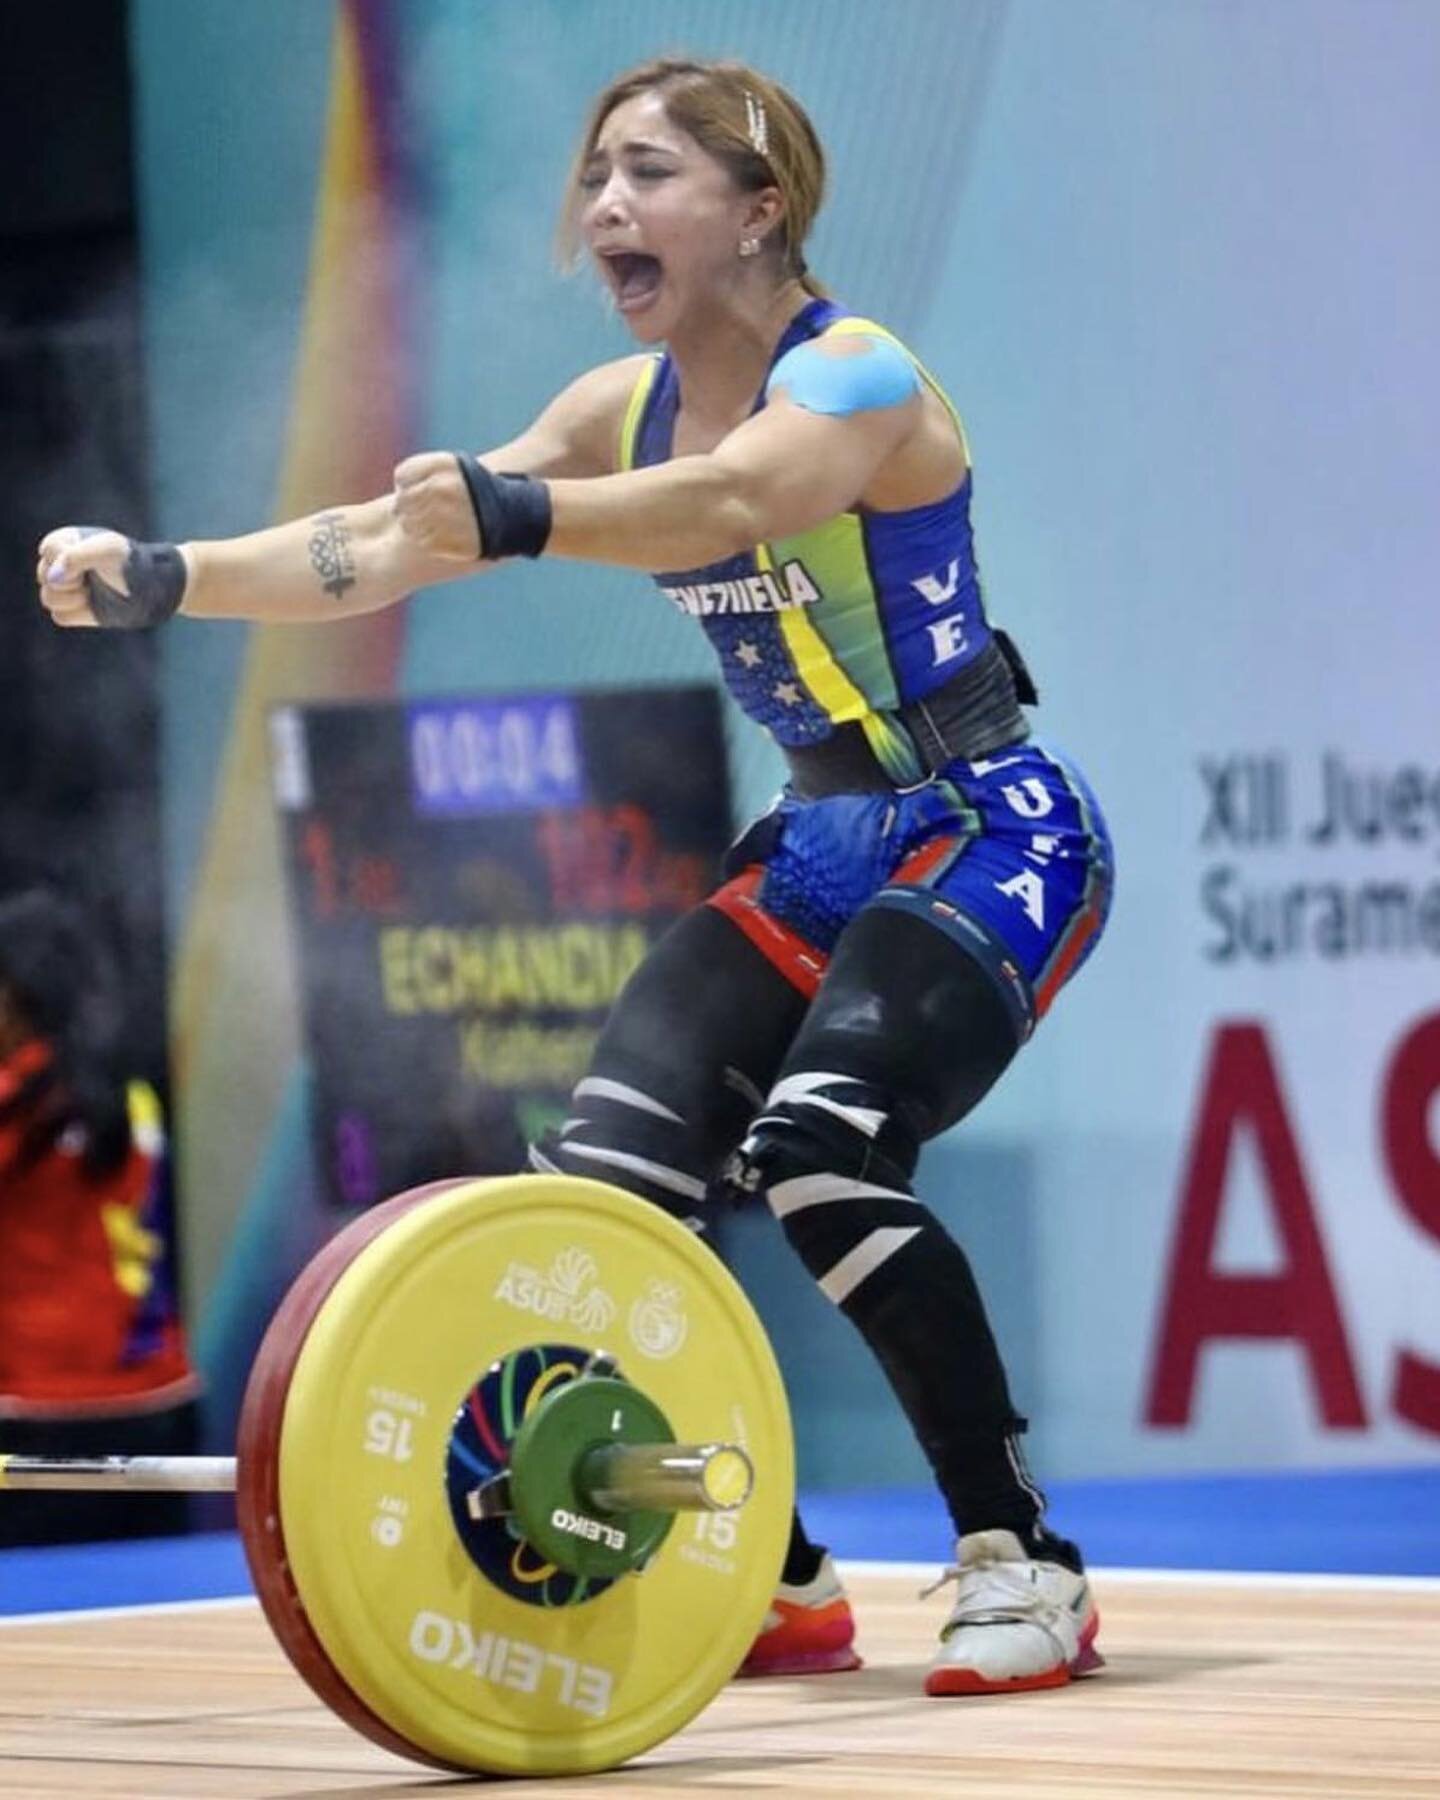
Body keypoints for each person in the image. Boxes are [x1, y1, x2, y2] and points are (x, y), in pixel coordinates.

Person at [36, 56, 1112, 1693]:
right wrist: (166, 579)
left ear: (763, 210)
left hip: (994, 825)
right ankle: (768, 1570)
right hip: (820, 844)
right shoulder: (616, 413)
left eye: (653, 174)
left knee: (821, 1155)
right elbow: (394, 541)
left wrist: (523, 512)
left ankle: (1020, 1559)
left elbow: (743, 497)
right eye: (598, 174)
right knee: (608, 1182)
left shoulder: (857, 375)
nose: (608, 204)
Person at [0, 889, 200, 1547]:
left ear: (17, 995)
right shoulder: (131, 1096)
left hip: (43, 1418)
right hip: (161, 1408)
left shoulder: (18, 1107)